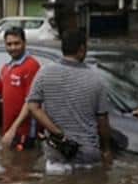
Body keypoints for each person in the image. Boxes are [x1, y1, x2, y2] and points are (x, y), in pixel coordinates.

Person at [26, 30, 113, 169]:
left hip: (57, 153)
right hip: (88, 155)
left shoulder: (44, 72)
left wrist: (56, 132)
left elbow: (32, 106)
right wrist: (107, 150)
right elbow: (102, 120)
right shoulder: (97, 79)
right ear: (82, 49)